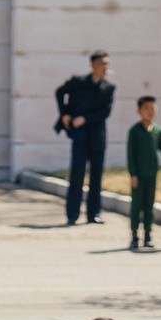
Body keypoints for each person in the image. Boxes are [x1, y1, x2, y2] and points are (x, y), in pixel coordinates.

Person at [55, 50, 114, 225]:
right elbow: (59, 92)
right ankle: (72, 214)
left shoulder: (108, 88)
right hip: (80, 136)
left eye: (107, 64)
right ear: (93, 65)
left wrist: (85, 119)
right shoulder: (79, 82)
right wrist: (64, 114)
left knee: (96, 176)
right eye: (102, 64)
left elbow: (105, 113)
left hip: (98, 136)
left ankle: (93, 213)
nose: (105, 67)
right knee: (77, 175)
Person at [125, 94, 161, 250]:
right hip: (139, 175)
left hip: (152, 174)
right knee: (137, 206)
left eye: (152, 108)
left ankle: (148, 235)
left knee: (149, 205)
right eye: (146, 108)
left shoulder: (158, 131)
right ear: (139, 111)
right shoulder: (135, 131)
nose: (150, 111)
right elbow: (130, 154)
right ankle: (134, 235)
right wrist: (133, 174)